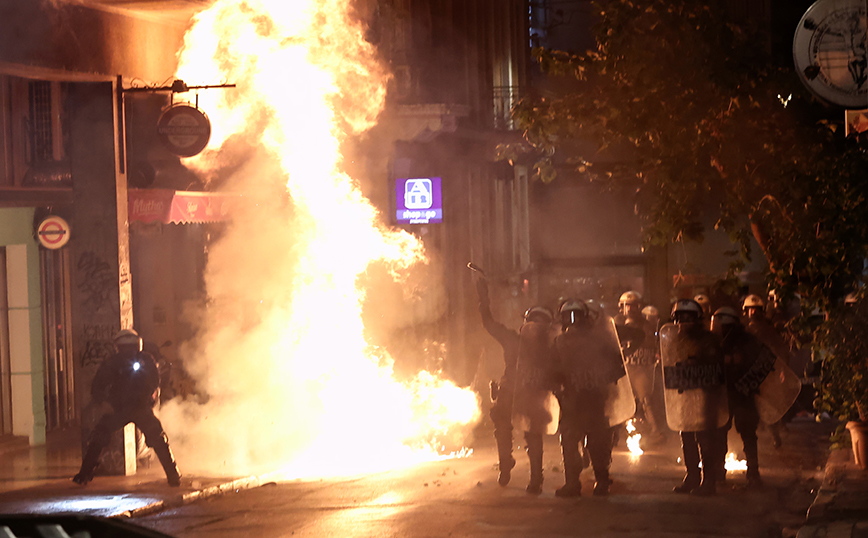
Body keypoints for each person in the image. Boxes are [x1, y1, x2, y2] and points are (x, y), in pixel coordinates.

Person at [476, 277, 556, 494]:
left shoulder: (547, 346)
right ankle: (510, 466)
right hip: (514, 392)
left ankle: (531, 475)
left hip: (530, 394)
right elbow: (490, 324)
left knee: (529, 432)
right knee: (508, 424)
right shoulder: (522, 342)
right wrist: (484, 299)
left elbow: (489, 324)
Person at [73, 329, 181, 487]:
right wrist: (105, 402)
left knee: (157, 437)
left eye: (131, 347)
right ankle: (84, 474)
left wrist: (148, 398)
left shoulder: (143, 360)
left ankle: (173, 475)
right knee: (99, 436)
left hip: (135, 407)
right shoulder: (114, 362)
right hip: (120, 408)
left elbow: (154, 381)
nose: (128, 351)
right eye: (125, 348)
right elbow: (98, 386)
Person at [553, 299, 629, 497]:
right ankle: (600, 482)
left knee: (573, 443)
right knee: (595, 444)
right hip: (591, 400)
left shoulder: (560, 342)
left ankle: (574, 484)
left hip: (578, 401)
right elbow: (617, 370)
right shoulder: (598, 341)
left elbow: (553, 373)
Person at [662, 299, 728, 496]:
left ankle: (709, 482)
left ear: (697, 319)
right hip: (685, 397)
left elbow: (715, 366)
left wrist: (697, 363)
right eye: (679, 318)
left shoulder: (708, 340)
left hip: (705, 398)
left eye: (688, 317)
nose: (683, 322)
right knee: (687, 437)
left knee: (705, 439)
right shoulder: (675, 341)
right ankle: (692, 477)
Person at [711, 307, 770, 488]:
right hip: (724, 394)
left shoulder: (748, 341)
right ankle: (719, 472)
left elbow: (764, 363)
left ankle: (753, 473)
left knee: (747, 434)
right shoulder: (714, 343)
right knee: (720, 433)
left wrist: (741, 362)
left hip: (743, 394)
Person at [742, 294, 793, 448]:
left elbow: (780, 349)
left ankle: (774, 434)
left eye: (756, 310)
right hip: (749, 371)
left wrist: (782, 368)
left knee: (768, 403)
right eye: (751, 310)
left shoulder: (769, 329)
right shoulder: (743, 329)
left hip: (767, 371)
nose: (753, 313)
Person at [615, 290, 664, 446]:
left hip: (640, 368)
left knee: (645, 399)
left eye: (633, 306)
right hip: (623, 367)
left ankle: (655, 431)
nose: (629, 310)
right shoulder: (616, 323)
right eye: (626, 306)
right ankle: (618, 433)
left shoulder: (646, 325)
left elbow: (653, 344)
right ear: (621, 307)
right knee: (619, 400)